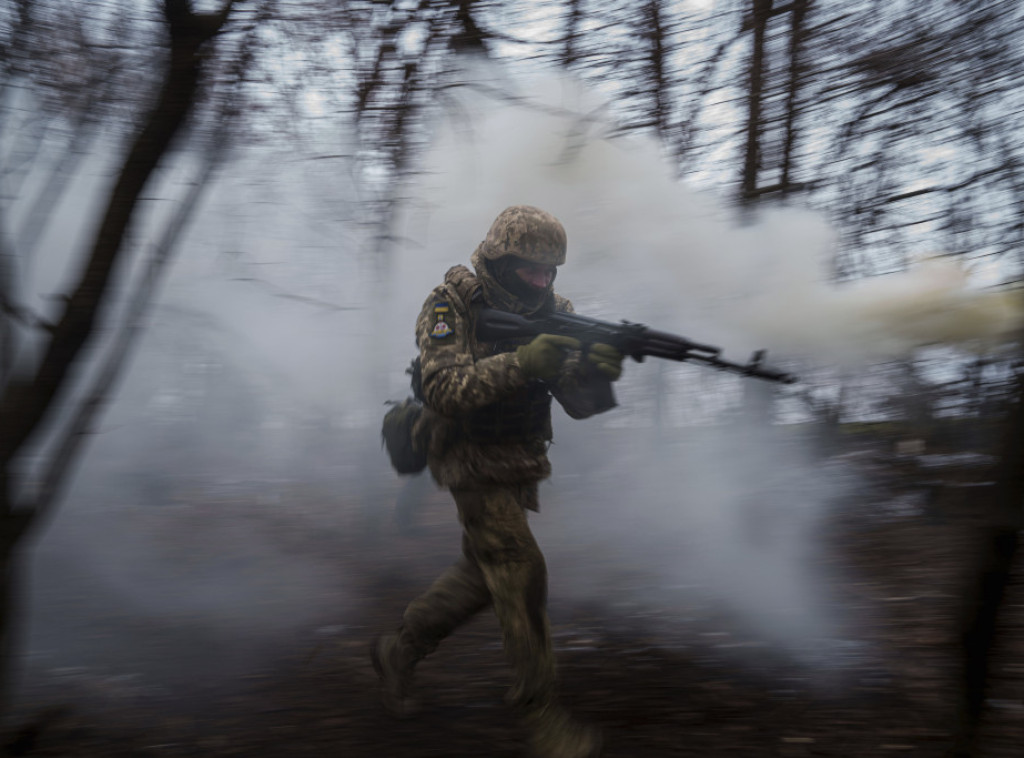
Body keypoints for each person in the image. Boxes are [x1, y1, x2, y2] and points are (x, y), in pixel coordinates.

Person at [372, 205, 623, 758]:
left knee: (484, 574)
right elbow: (442, 389)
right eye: (532, 270)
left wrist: (597, 373)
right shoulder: (451, 304)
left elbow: (578, 406)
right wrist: (525, 362)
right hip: (464, 454)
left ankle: (401, 649)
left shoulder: (557, 312)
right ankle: (540, 711)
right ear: (501, 261)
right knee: (518, 567)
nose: (544, 281)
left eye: (551, 271)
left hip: (518, 460)